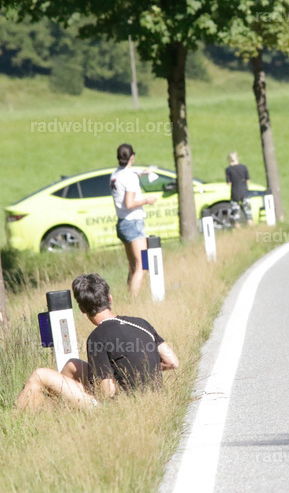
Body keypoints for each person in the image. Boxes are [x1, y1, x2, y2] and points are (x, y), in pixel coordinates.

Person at [15, 273, 179, 411]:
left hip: (120, 408)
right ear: (110, 298)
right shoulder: (140, 323)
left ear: (82, 309)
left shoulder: (97, 338)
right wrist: (141, 371)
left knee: (40, 375)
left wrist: (86, 392)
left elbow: (107, 392)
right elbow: (172, 362)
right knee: (73, 365)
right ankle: (57, 413)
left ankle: (16, 419)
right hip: (153, 398)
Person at [110, 143, 157, 297]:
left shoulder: (115, 175)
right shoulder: (130, 177)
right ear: (132, 157)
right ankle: (134, 300)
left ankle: (129, 297)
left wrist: (142, 173)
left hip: (123, 223)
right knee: (143, 265)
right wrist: (147, 200)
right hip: (134, 224)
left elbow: (129, 175)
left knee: (133, 266)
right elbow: (130, 203)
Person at [225, 152, 252, 225]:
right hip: (244, 191)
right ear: (237, 159)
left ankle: (237, 226)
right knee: (248, 211)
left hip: (235, 192)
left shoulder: (228, 169)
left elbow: (229, 183)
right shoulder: (244, 167)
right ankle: (250, 224)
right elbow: (248, 180)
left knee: (236, 211)